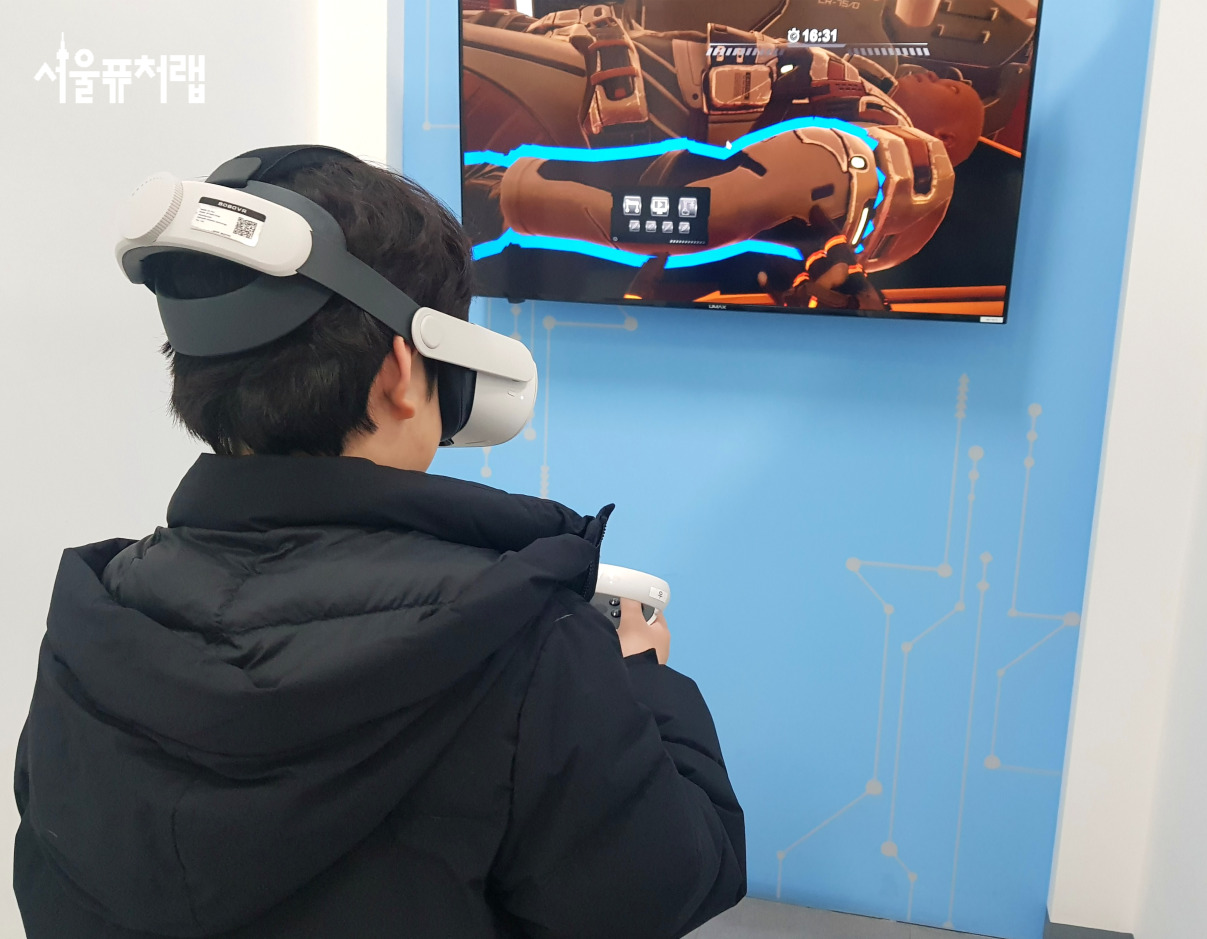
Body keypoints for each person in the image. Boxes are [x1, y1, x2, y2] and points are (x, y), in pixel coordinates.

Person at [12, 147, 746, 938]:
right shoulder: (526, 648)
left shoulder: (92, 622)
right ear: (404, 368)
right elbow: (668, 884)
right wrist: (641, 679)